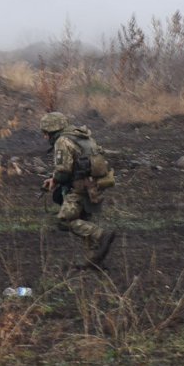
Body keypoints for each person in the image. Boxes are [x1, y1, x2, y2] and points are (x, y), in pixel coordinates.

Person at [39, 111, 117, 266]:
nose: (45, 137)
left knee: (65, 220)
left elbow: (64, 171)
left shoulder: (62, 141)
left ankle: (101, 234)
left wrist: (54, 180)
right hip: (95, 185)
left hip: (80, 187)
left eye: (45, 133)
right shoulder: (82, 137)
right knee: (83, 220)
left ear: (51, 130)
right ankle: (93, 260)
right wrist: (55, 178)